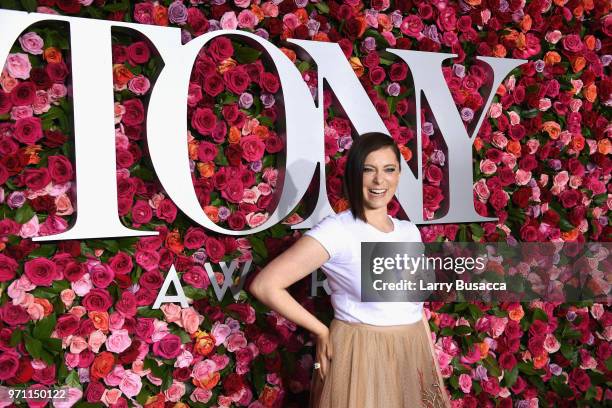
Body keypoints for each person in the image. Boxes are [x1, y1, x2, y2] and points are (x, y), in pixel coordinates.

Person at [249, 132, 452, 408]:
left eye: (389, 169)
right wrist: (320, 330)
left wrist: (427, 361)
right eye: (369, 170)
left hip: (411, 351)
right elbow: (265, 285)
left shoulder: (408, 232)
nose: (380, 180)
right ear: (354, 175)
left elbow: (412, 307)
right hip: (361, 357)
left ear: (399, 174)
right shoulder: (339, 230)